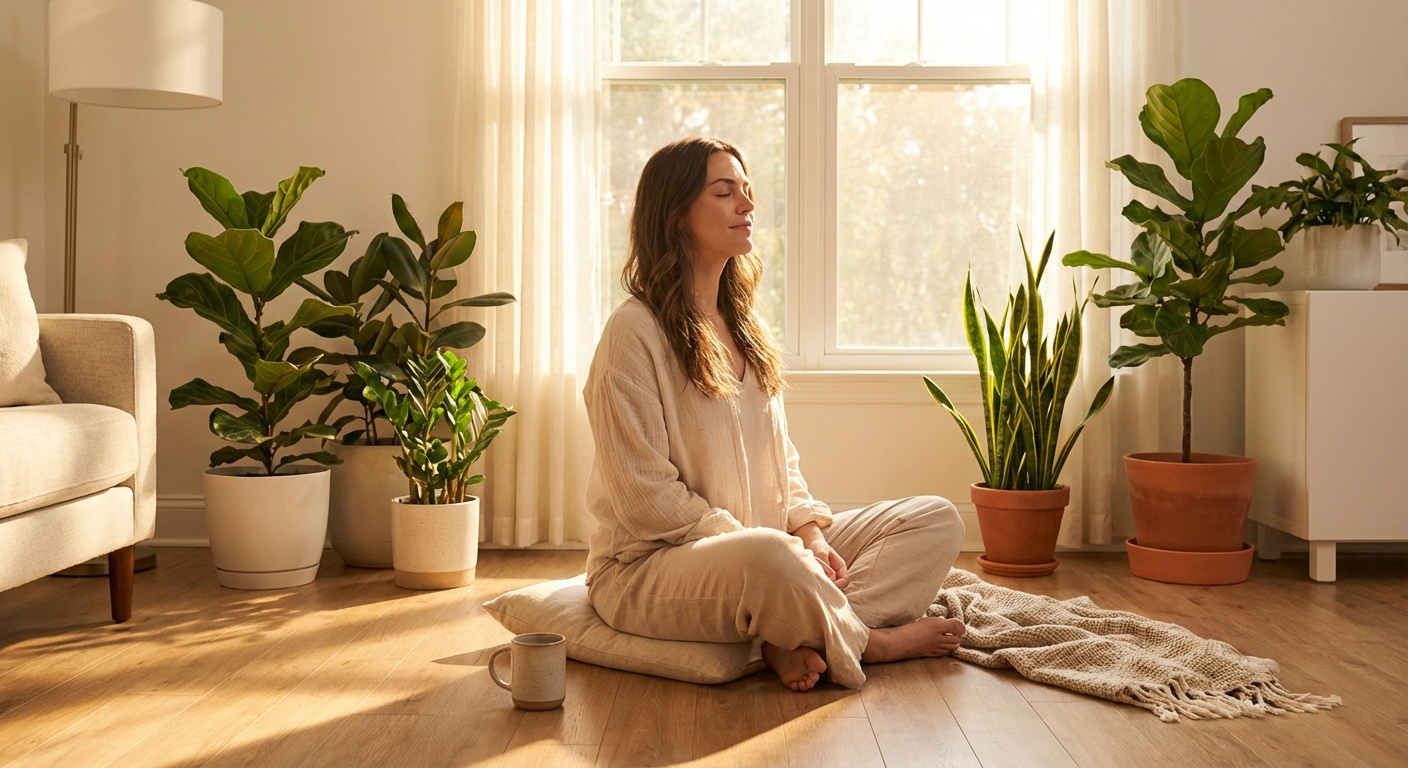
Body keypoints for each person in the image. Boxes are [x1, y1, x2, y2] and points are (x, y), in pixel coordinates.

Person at [582, 136, 967, 691]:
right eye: (724, 192)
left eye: (747, 190)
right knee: (767, 558)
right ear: (676, 215)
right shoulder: (632, 333)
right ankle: (864, 641)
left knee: (935, 517)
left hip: (767, 548)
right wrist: (776, 550)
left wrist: (809, 534)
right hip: (650, 567)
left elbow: (779, 454)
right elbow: (645, 498)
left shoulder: (746, 326)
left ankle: (794, 635)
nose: (747, 205)